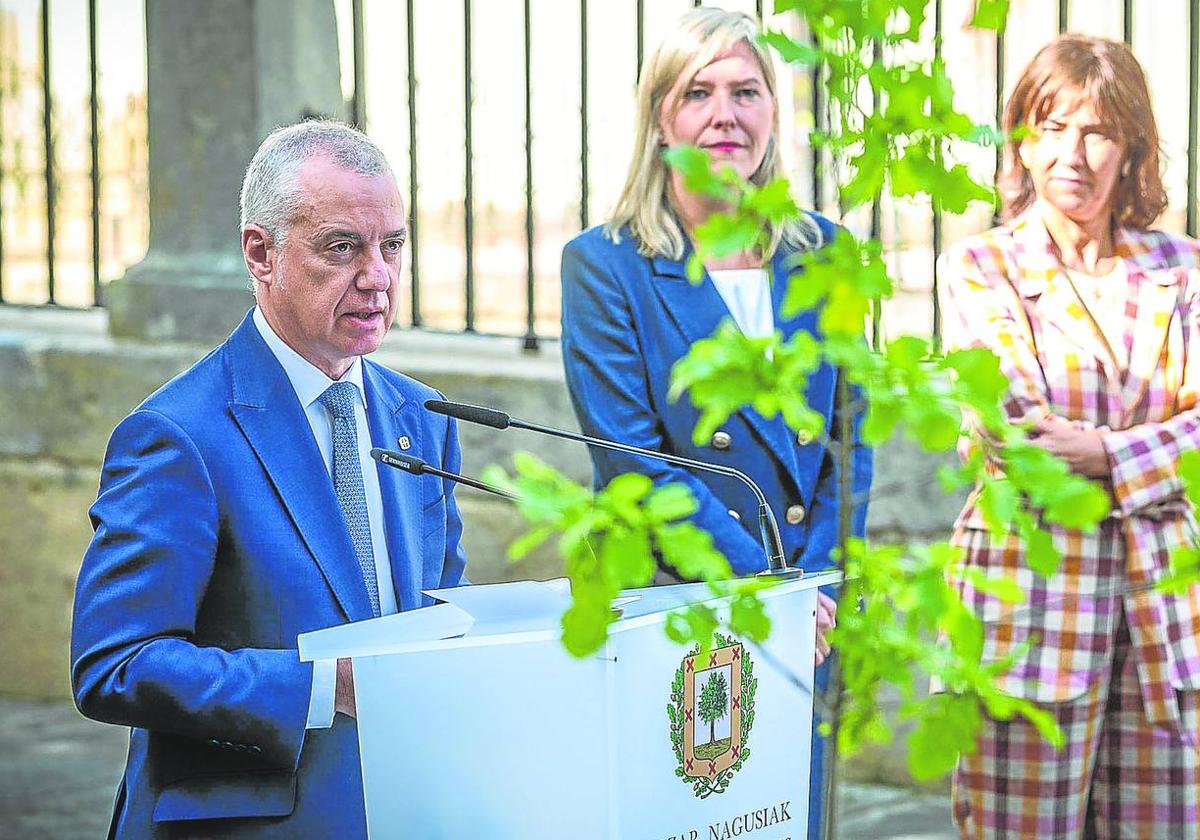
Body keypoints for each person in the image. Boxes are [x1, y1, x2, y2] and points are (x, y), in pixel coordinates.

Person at [70, 120, 468, 839]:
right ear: (262, 252)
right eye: (342, 247)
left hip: (399, 806)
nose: (377, 275)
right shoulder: (178, 434)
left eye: (393, 245)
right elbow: (115, 662)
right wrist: (320, 686)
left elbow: (440, 607)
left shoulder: (422, 416)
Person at [559, 8, 872, 837]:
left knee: (789, 816)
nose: (725, 115)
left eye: (747, 90)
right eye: (698, 92)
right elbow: (636, 462)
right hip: (682, 601)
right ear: (661, 115)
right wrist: (770, 595)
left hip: (813, 611)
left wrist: (821, 590)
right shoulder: (604, 265)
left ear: (776, 111)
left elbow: (850, 444)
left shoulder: (827, 251)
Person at [944, 35, 1200, 838]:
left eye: (1097, 132)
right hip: (1031, 611)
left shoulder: (1184, 271)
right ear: (1021, 138)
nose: (1073, 155)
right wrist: (1157, 455)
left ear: (1132, 148)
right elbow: (1016, 435)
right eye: (1050, 128)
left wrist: (1104, 455)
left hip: (1167, 618)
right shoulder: (983, 267)